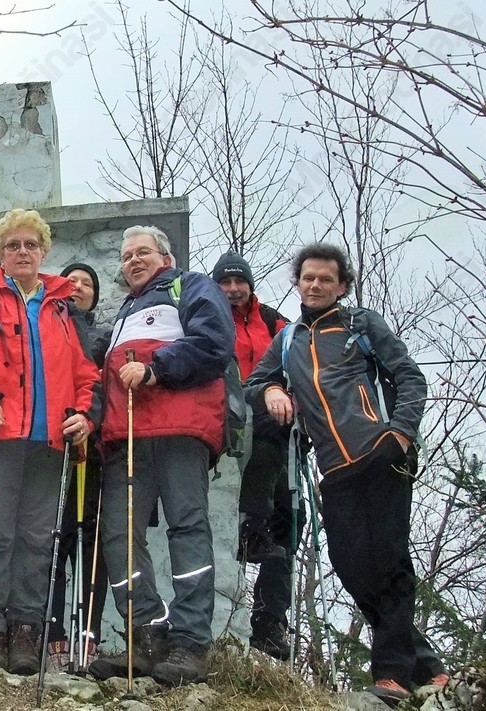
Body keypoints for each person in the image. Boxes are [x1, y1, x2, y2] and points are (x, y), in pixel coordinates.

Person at [245, 243, 448, 704]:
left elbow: (411, 377)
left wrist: (400, 435)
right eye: (308, 278)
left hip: (381, 454)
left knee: (389, 560)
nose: (315, 285)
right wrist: (272, 389)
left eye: (325, 279)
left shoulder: (361, 324)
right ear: (298, 283)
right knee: (350, 565)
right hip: (334, 468)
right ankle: (426, 665)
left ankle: (392, 673)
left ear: (342, 286)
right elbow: (254, 381)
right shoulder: (289, 339)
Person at [0, 209, 101, 675]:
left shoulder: (64, 307)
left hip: (50, 440)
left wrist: (86, 414)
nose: (22, 252)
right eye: (13, 245)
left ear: (44, 252)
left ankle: (27, 628)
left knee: (39, 539)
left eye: (31, 244)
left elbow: (88, 374)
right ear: (0, 254)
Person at [89, 226, 234, 686]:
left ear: (165, 257)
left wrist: (157, 370)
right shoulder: (122, 313)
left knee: (187, 529)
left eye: (143, 252)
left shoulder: (190, 286)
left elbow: (214, 343)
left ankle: (190, 642)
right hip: (125, 437)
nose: (133, 260)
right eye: (127, 255)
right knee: (118, 535)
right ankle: (146, 636)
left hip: (180, 429)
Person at [210, 251, 302, 660]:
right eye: (225, 283)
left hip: (278, 422)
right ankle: (253, 522)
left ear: (249, 284)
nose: (233, 289)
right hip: (230, 415)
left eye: (239, 282)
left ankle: (269, 620)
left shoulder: (273, 321)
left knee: (290, 525)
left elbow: (300, 362)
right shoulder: (207, 316)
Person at [46, 262, 110, 667]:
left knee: (92, 545)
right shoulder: (48, 329)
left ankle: (89, 634)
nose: (78, 287)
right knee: (55, 540)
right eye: (71, 281)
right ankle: (53, 635)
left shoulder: (107, 335)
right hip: (53, 448)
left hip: (96, 451)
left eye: (87, 284)